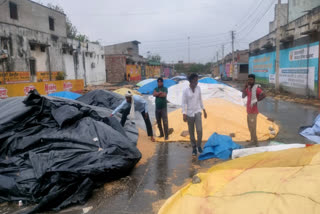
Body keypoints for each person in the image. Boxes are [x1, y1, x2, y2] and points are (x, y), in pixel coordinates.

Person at [182, 73, 207, 156]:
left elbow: (200, 100)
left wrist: (204, 110)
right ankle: (194, 148)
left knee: (199, 130)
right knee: (191, 132)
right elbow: (184, 103)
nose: (197, 82)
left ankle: (199, 146)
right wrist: (184, 113)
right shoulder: (186, 91)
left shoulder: (198, 89)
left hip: (197, 111)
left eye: (197, 80)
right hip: (189, 113)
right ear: (191, 80)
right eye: (195, 80)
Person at [242, 74, 266, 146]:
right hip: (249, 111)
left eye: (251, 80)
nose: (250, 81)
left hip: (253, 112)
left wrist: (256, 100)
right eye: (249, 79)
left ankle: (254, 141)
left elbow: (264, 95)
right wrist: (245, 87)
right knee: (250, 127)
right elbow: (243, 96)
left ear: (254, 80)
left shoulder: (256, 88)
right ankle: (254, 141)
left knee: (253, 128)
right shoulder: (248, 88)